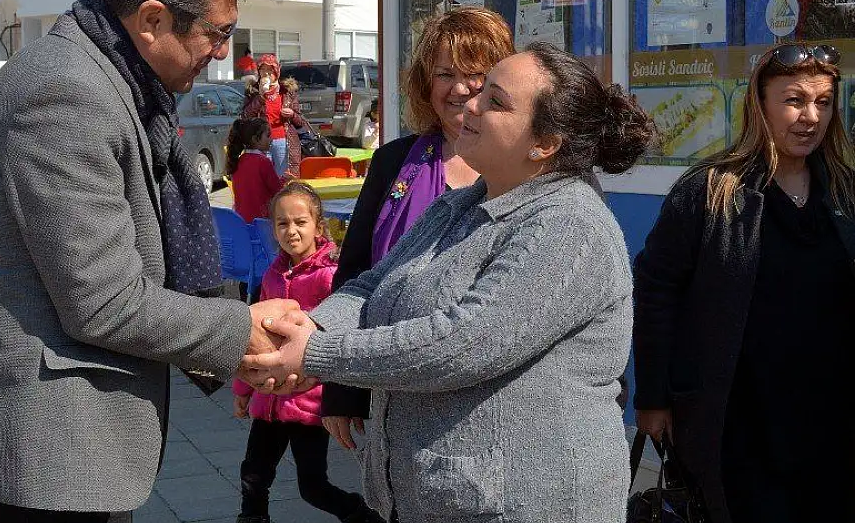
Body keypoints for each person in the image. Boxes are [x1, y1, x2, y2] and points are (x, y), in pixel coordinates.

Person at [0, 0, 304, 522]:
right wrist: (239, 329)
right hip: (46, 462)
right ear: (153, 19)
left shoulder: (109, 77)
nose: (220, 54)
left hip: (68, 457)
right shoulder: (66, 94)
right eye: (215, 33)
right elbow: (105, 302)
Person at [242, 43, 656, 523]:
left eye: (495, 101)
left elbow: (461, 342)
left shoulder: (568, 222)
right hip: (443, 500)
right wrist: (308, 325)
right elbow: (372, 285)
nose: (471, 103)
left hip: (527, 504)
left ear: (544, 145)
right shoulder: (462, 204)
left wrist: (315, 353)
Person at [633, 43, 855, 523]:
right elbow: (656, 292)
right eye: (794, 99)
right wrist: (652, 398)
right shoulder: (712, 191)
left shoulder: (844, 192)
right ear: (760, 102)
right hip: (739, 423)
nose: (810, 116)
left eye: (823, 101)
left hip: (830, 422)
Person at [320, 7, 514, 452]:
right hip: (395, 384)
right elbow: (354, 275)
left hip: (493, 388)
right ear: (426, 82)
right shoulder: (394, 162)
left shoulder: (520, 167)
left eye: (477, 74)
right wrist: (341, 388)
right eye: (445, 73)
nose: (461, 88)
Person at [232, 182, 382, 523]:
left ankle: (364, 516)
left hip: (308, 403)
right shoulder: (272, 275)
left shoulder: (331, 277)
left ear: (318, 224)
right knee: (253, 476)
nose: (292, 230)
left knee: (312, 487)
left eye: (300, 221)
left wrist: (344, 399)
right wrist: (243, 389)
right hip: (268, 401)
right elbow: (255, 340)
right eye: (282, 223)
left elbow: (343, 338)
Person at [243, 53, 304, 176]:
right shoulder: (252, 91)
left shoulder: (286, 91)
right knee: (263, 178)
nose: (266, 74)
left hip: (282, 141)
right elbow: (245, 116)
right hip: (260, 142)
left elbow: (300, 122)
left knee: (281, 179)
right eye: (263, 70)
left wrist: (292, 114)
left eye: (270, 70)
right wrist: (260, 97)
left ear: (276, 72)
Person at [227, 117, 285, 223]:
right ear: (255, 139)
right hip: (262, 222)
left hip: (242, 222)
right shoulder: (263, 162)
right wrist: (285, 180)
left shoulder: (239, 160)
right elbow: (278, 190)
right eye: (267, 136)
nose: (271, 139)